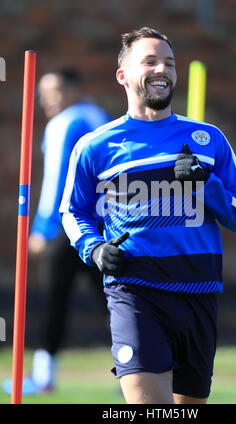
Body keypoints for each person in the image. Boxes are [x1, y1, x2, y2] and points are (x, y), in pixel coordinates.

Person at [59, 27, 236, 404]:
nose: (161, 70)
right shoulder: (95, 146)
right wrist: (95, 249)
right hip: (135, 291)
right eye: (149, 61)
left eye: (168, 63)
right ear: (123, 75)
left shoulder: (208, 139)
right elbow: (73, 211)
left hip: (199, 294)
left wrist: (206, 184)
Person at [3, 68, 112, 396]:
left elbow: (57, 181)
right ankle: (139, 369)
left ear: (74, 89)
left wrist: (41, 227)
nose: (45, 100)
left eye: (53, 91)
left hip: (70, 227)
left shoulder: (65, 123)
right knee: (116, 302)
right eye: (42, 93)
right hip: (107, 227)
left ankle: (44, 375)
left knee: (54, 300)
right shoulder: (104, 118)